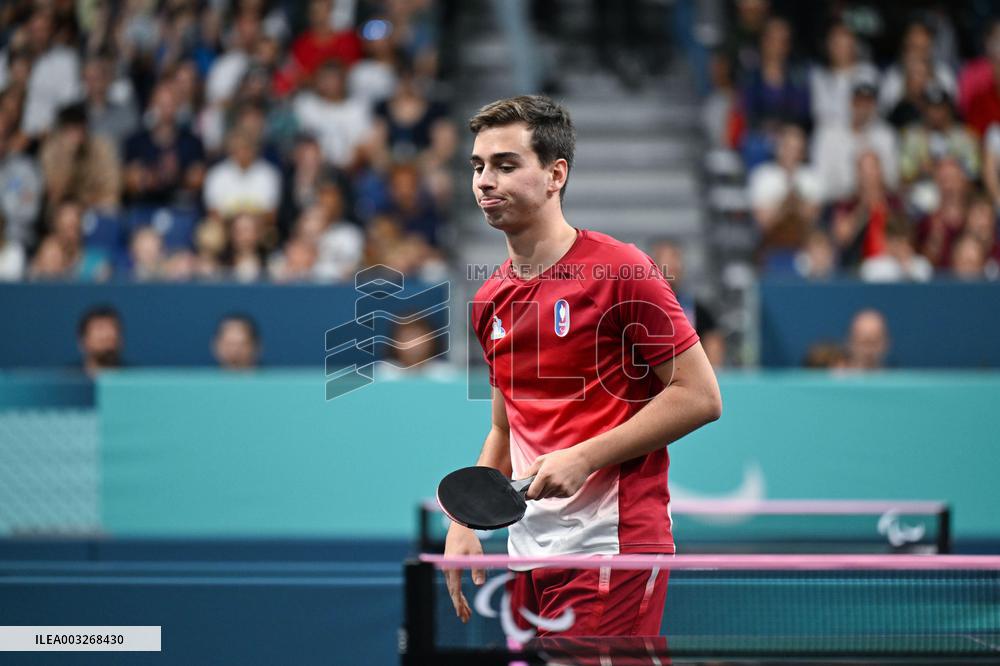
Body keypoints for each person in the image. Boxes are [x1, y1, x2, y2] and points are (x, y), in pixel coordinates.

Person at [447, 96, 722, 638]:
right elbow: (506, 425)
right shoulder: (488, 301)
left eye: (506, 165)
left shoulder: (621, 271)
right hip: (528, 549)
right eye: (477, 166)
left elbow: (700, 395)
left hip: (611, 541)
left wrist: (583, 457)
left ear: (556, 174)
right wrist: (464, 520)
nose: (484, 180)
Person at [78, 305, 124, 377]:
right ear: (83, 341)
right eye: (100, 328)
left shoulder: (136, 379)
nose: (108, 335)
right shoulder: (66, 380)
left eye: (113, 328)